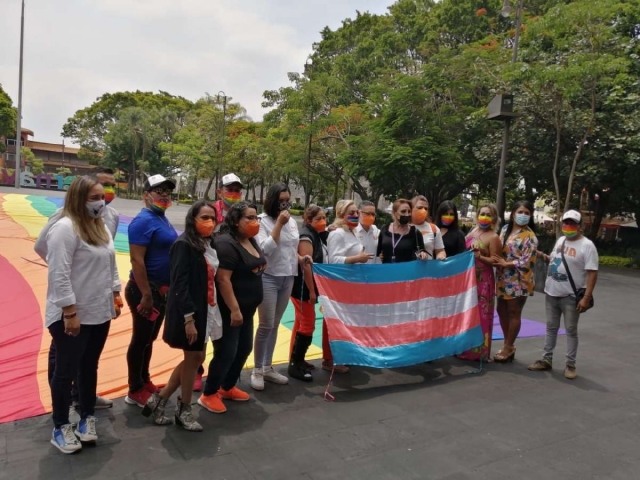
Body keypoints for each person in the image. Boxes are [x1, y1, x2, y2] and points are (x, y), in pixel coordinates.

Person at [35, 167, 120, 417]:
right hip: (73, 309)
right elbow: (45, 250)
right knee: (65, 364)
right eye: (95, 194)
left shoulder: (106, 220)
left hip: (97, 305)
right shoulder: (64, 223)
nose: (103, 198)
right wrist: (70, 274)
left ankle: (85, 406)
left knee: (87, 364)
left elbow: (109, 260)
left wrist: (113, 292)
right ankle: (61, 413)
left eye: (106, 191)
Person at [142, 200, 222, 431]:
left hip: (207, 307)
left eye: (213, 217)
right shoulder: (183, 244)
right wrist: (189, 319)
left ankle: (159, 400)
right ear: (192, 219)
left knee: (195, 358)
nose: (209, 222)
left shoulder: (208, 243)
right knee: (194, 357)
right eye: (204, 217)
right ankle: (183, 409)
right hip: (190, 311)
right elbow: (179, 283)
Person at [198, 202, 266, 414]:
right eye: (250, 218)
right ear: (236, 221)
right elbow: (223, 280)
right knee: (226, 352)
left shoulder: (250, 239)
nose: (256, 222)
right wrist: (235, 309)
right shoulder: (227, 244)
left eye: (257, 218)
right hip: (230, 311)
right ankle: (209, 393)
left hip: (247, 310)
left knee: (244, 348)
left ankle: (226, 387)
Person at [125, 175, 178, 407]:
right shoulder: (143, 221)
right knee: (140, 339)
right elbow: (137, 260)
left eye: (167, 191)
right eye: (158, 191)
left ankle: (144, 379)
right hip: (144, 292)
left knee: (149, 339)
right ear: (146, 195)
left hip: (160, 292)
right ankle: (134, 388)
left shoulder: (161, 218)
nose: (164, 194)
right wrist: (146, 294)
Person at [528, 210, 598, 379]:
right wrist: (543, 256)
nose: (568, 226)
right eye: (565, 223)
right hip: (551, 293)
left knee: (571, 330)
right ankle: (546, 359)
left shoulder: (587, 246)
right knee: (551, 327)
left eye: (572, 223)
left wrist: (586, 297)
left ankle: (570, 364)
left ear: (580, 227)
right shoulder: (560, 240)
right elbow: (554, 259)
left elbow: (592, 273)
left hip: (571, 296)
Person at [193, 173, 244, 391]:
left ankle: (222, 372)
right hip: (208, 273)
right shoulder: (209, 213)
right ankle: (196, 370)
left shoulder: (241, 213)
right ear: (219, 191)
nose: (234, 194)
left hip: (229, 275)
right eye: (229, 189)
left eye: (237, 190)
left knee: (220, 328)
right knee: (203, 325)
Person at [252, 183, 300, 391]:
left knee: (276, 323)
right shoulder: (262, 222)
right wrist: (278, 225)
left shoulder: (292, 222)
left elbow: (291, 248)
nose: (285, 204)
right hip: (268, 277)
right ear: (271, 200)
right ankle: (256, 370)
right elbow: (265, 250)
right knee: (265, 324)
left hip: (288, 277)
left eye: (287, 200)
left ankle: (268, 366)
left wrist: (302, 258)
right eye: (281, 200)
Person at [326, 199, 373, 372]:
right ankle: (330, 359)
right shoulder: (337, 233)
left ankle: (344, 356)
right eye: (350, 212)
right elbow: (334, 260)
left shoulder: (352, 232)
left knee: (348, 321)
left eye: (356, 212)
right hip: (340, 286)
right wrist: (357, 259)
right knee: (337, 322)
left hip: (352, 286)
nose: (355, 215)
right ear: (341, 214)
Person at [492, 200, 538, 363]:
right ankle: (507, 344)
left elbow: (528, 259)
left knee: (514, 312)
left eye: (527, 213)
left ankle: (509, 346)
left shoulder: (530, 236)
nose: (523, 215)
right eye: (520, 212)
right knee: (501, 310)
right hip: (503, 277)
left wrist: (508, 263)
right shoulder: (505, 230)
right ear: (512, 214)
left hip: (520, 279)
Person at [458, 204, 502, 362]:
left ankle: (479, 352)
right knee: (468, 314)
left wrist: (480, 256)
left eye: (488, 215)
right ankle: (463, 348)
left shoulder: (494, 237)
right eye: (482, 214)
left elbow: (495, 261)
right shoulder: (473, 231)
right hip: (469, 279)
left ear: (494, 219)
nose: (484, 217)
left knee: (482, 316)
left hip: (484, 280)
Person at [289, 205, 328, 382]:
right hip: (302, 288)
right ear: (308, 220)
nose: (323, 221)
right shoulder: (306, 236)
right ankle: (295, 364)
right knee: (307, 324)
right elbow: (306, 266)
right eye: (318, 219)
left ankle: (298, 359)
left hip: (306, 287)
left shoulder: (315, 234)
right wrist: (312, 291)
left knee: (302, 323)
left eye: (324, 218)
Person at [377, 199, 427, 263]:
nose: (407, 214)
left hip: (407, 271)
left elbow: (422, 251)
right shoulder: (384, 229)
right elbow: (379, 252)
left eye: (409, 211)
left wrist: (422, 254)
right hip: (388, 270)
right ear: (394, 213)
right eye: (403, 211)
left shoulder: (415, 232)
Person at [410, 195, 446, 260]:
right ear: (411, 209)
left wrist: (441, 256)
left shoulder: (434, 229)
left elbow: (440, 251)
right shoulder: (402, 228)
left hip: (428, 269)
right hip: (406, 269)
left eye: (426, 208)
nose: (423, 210)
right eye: (420, 207)